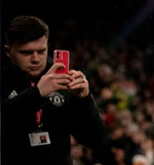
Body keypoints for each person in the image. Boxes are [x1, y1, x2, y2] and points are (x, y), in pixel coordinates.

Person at [1, 15, 108, 164]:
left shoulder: (62, 78)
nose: (36, 59)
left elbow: (94, 139)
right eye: (26, 53)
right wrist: (36, 94)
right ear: (8, 51)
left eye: (41, 51)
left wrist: (84, 100)